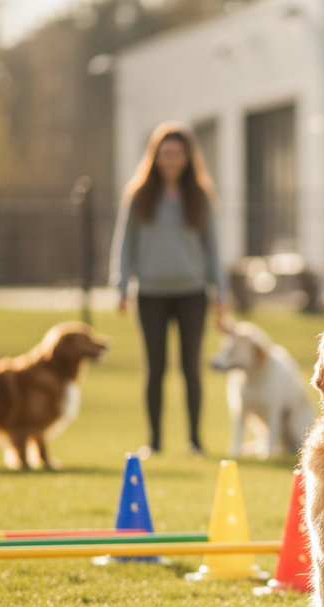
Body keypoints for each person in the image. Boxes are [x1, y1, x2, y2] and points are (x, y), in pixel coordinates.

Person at [109, 122, 225, 455]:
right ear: (155, 156)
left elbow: (213, 247)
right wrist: (119, 285)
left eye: (177, 153)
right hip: (149, 294)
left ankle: (194, 440)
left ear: (188, 157)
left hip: (192, 292)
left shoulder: (200, 195)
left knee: (191, 367)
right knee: (155, 368)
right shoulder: (138, 193)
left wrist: (221, 291)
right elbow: (125, 243)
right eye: (165, 153)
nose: (171, 159)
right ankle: (155, 441)